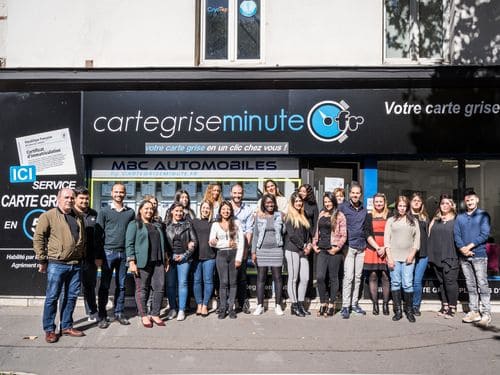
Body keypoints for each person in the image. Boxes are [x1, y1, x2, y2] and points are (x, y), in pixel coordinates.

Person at [33, 188, 86, 343]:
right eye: (66, 197)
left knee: (71, 297)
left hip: (76, 264)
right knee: (52, 297)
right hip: (57, 264)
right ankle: (49, 329)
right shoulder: (48, 216)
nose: (69, 200)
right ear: (58, 199)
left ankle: (66, 326)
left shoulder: (78, 216)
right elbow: (38, 238)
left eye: (72, 197)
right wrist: (42, 260)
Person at [95, 183, 135, 329]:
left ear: (125, 194)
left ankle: (119, 312)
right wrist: (98, 255)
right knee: (104, 286)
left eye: (121, 192)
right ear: (111, 193)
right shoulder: (104, 212)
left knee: (122, 285)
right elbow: (98, 235)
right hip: (108, 253)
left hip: (124, 253)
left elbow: (132, 235)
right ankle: (102, 315)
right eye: (116, 192)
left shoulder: (130, 212)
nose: (119, 194)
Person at [126, 200, 170, 328]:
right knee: (142, 289)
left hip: (158, 261)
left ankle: (155, 314)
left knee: (159, 287)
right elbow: (129, 244)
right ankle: (144, 315)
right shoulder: (134, 224)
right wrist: (131, 261)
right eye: (146, 208)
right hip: (141, 262)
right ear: (140, 210)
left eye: (151, 209)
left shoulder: (156, 225)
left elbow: (163, 243)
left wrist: (166, 257)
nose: (149, 211)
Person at [454, 188, 492, 327]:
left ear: (477, 200)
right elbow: (456, 235)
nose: (469, 202)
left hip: (479, 255)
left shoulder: (483, 215)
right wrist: (462, 249)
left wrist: (468, 247)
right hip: (464, 256)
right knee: (470, 285)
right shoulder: (460, 217)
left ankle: (486, 313)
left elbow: (484, 234)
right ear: (465, 202)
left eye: (472, 199)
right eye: (467, 200)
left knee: (482, 284)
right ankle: (474, 311)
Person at [384, 196, 420, 323]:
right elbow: (386, 241)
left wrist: (412, 254)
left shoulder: (413, 221)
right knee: (395, 283)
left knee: (407, 283)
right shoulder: (391, 221)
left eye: (404, 206)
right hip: (394, 257)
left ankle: (409, 311)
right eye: (400, 206)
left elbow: (417, 241)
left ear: (407, 207)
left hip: (408, 258)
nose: (402, 208)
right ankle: (398, 311)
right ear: (396, 207)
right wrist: (389, 257)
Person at [312, 192, 347, 317]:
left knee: (333, 278)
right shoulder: (322, 214)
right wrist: (314, 244)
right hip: (321, 249)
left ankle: (332, 304)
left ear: (333, 201)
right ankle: (323, 303)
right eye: (325, 201)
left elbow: (344, 235)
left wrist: (337, 248)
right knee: (320, 277)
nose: (327, 204)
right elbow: (317, 231)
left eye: (329, 201)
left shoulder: (340, 215)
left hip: (333, 251)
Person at [252, 194, 285, 316]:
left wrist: (284, 219)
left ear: (274, 203)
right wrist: (253, 251)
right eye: (267, 203)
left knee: (278, 278)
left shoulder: (279, 215)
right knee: (261, 278)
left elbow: (284, 231)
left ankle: (278, 305)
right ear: (263, 204)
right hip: (262, 250)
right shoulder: (259, 216)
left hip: (276, 250)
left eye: (271, 202)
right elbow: (255, 234)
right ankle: (260, 305)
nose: (269, 205)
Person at [209, 201, 244, 319]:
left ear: (231, 211)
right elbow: (212, 242)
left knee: (233, 283)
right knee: (223, 283)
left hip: (234, 255)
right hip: (221, 255)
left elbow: (241, 241)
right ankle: (223, 308)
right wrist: (226, 243)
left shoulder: (236, 222)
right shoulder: (215, 224)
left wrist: (239, 258)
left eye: (228, 209)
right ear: (220, 211)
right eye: (223, 209)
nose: (226, 211)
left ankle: (231, 308)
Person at [339, 182, 368, 319]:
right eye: (353, 193)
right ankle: (345, 305)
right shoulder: (342, 207)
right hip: (349, 247)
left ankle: (354, 303)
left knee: (357, 278)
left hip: (362, 247)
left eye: (358, 193)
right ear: (349, 193)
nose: (355, 195)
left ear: (360, 195)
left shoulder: (364, 209)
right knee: (348, 277)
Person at [427, 194, 459, 319]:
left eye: (447, 203)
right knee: (441, 282)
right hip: (436, 255)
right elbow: (429, 234)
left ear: (452, 205)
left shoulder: (457, 220)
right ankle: (445, 305)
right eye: (442, 203)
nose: (444, 205)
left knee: (450, 282)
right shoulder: (436, 219)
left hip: (450, 255)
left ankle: (452, 307)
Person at [165, 203, 197, 321]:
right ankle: (173, 308)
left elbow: (194, 242)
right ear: (172, 211)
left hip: (184, 258)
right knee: (171, 284)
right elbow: (163, 243)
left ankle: (182, 310)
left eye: (181, 211)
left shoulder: (188, 224)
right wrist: (169, 256)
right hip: (170, 258)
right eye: (176, 211)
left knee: (183, 283)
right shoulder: (166, 225)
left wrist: (185, 255)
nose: (179, 213)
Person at [73, 186, 100, 322]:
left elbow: (98, 237)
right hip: (73, 258)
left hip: (90, 258)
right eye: (81, 198)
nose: (84, 201)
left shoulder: (94, 214)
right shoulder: (69, 214)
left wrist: (98, 256)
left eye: (86, 198)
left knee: (90, 286)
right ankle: (66, 318)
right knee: (71, 289)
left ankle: (92, 312)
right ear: (75, 198)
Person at [284, 192, 313, 317]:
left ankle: (301, 304)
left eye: (300, 201)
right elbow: (292, 235)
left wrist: (309, 245)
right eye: (296, 201)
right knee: (293, 278)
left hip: (303, 250)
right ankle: (294, 305)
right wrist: (303, 246)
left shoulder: (304, 215)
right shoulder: (289, 216)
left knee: (305, 278)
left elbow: (308, 234)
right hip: (292, 250)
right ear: (292, 203)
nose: (298, 203)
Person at [363, 193, 390, 316]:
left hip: (386, 248)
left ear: (384, 202)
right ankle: (375, 304)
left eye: (381, 201)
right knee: (373, 275)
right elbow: (367, 233)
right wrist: (377, 247)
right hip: (373, 248)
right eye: (376, 202)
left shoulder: (390, 215)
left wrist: (384, 247)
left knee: (385, 276)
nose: (379, 203)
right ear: (373, 203)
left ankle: (385, 304)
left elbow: (392, 233)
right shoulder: (369, 216)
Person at [230, 183, 255, 314]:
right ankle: (228, 303)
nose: (237, 195)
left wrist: (246, 249)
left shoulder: (248, 210)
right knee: (228, 277)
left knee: (242, 277)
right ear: (231, 194)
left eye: (239, 193)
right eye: (235, 193)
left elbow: (249, 230)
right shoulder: (226, 207)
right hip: (228, 248)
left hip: (242, 247)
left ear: (243, 194)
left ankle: (242, 302)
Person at [192, 200, 216, 317]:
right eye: (203, 208)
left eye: (207, 208)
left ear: (210, 210)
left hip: (210, 256)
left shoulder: (214, 223)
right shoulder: (194, 222)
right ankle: (199, 304)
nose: (205, 210)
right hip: (196, 256)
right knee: (196, 281)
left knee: (208, 281)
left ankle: (205, 305)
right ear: (200, 209)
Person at [410, 192, 429, 316]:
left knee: (417, 281)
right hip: (409, 253)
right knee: (407, 281)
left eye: (419, 201)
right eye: (414, 200)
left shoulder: (425, 218)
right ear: (410, 202)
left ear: (421, 203)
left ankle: (415, 306)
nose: (416, 202)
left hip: (423, 253)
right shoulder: (405, 216)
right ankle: (407, 304)